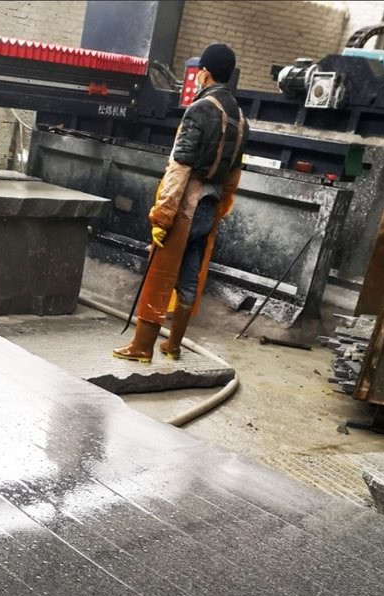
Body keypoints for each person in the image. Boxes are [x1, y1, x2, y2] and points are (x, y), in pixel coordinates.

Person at [113, 43, 248, 363]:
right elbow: (234, 175)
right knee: (190, 275)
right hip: (210, 207)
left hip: (186, 205)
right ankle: (173, 345)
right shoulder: (241, 118)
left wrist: (162, 216)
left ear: (205, 73)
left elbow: (180, 167)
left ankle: (142, 347)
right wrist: (217, 212)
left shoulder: (200, 110)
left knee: (160, 273)